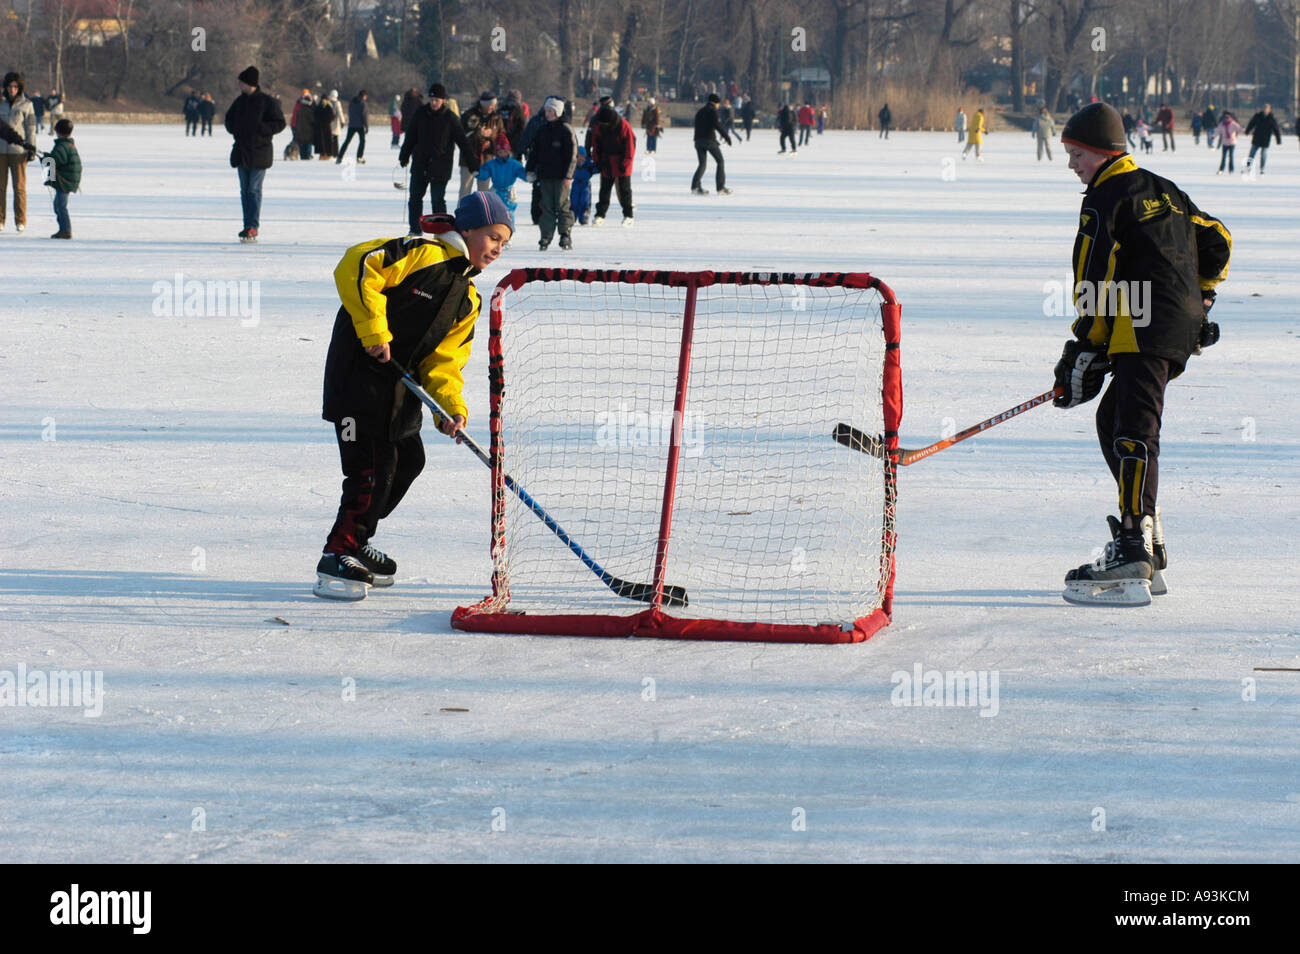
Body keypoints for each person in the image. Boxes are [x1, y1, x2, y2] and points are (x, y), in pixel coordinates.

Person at [1055, 102, 1230, 605]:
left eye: (1076, 154)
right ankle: (1145, 537)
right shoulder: (1164, 189)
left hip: (1141, 325)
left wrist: (1085, 346)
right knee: (1114, 420)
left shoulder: (1105, 195)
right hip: (1175, 327)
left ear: (1102, 152)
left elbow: (1093, 274)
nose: (1072, 164)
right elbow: (1218, 239)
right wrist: (1202, 298)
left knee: (1133, 428)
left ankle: (1134, 546)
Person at [315, 191, 514, 601]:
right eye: (493, 237)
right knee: (372, 469)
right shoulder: (423, 253)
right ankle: (338, 551)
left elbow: (445, 363)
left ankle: (358, 536)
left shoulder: (468, 299)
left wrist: (450, 409)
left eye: (504, 243)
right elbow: (357, 264)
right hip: (358, 382)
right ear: (469, 228)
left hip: (399, 393)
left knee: (409, 460)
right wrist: (374, 332)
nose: (497, 249)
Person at [400, 83, 478, 233]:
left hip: (440, 166)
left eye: (437, 100)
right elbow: (410, 137)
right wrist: (404, 156)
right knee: (415, 198)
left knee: (437, 200)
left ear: (443, 100)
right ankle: (415, 229)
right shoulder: (420, 114)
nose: (434, 103)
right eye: (432, 99)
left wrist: (472, 163)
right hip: (420, 164)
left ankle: (441, 231)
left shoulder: (450, 118)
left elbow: (463, 142)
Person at [223, 66, 286, 243]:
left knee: (253, 190)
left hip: (260, 152)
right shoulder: (239, 102)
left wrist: (262, 130)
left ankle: (253, 226)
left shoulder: (267, 102)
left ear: (249, 83)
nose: (238, 85)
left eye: (241, 82)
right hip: (242, 152)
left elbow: (280, 123)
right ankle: (247, 225)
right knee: (245, 191)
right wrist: (235, 129)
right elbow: (228, 120)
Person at [525, 96, 578, 250]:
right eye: (547, 110)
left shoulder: (566, 130)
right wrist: (530, 168)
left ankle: (565, 234)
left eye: (550, 111)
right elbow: (535, 151)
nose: (547, 113)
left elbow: (572, 155)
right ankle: (545, 236)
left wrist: (569, 175)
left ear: (558, 112)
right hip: (545, 175)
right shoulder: (542, 130)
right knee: (546, 206)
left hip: (562, 177)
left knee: (561, 205)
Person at [1, 71, 37, 233]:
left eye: (15, 86)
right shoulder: (0, 103)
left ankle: (20, 220)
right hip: (1, 151)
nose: (12, 89)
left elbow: (31, 128)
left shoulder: (27, 105)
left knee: (19, 188)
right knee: (0, 188)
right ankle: (0, 219)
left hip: (19, 151)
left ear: (19, 88)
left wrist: (31, 147)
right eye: (9, 86)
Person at [590, 102, 635, 226]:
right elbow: (596, 145)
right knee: (604, 191)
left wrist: (626, 162)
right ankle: (600, 214)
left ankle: (628, 215)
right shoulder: (599, 127)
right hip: (607, 162)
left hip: (622, 163)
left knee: (625, 191)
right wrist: (597, 161)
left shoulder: (624, 126)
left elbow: (630, 147)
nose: (602, 125)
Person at [43, 118, 80, 239]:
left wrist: (45, 159)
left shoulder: (62, 146)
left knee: (60, 206)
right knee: (58, 205)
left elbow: (54, 161)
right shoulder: (68, 144)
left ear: (58, 132)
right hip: (68, 179)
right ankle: (63, 229)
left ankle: (66, 230)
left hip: (65, 181)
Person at [460, 91, 502, 197]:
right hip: (468, 159)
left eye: (494, 104)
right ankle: (463, 212)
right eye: (490, 104)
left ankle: (484, 212)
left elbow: (501, 138)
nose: (492, 107)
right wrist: (478, 134)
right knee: (465, 189)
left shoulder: (497, 118)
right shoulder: (469, 115)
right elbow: (461, 136)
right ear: (484, 104)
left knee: (484, 191)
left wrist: (491, 138)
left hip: (487, 160)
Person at [690, 94, 732, 194]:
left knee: (702, 164)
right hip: (709, 140)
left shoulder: (700, 111)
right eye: (718, 104)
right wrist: (726, 137)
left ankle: (695, 187)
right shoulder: (712, 111)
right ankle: (720, 187)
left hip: (698, 141)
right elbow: (717, 125)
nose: (718, 106)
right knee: (720, 161)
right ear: (715, 103)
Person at [476, 133, 528, 212]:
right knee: (494, 212)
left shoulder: (514, 164)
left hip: (509, 193)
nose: (503, 154)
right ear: (496, 152)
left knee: (509, 213)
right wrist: (477, 173)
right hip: (496, 191)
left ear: (509, 151)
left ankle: (509, 224)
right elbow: (484, 175)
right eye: (500, 152)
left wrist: (529, 176)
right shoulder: (491, 164)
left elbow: (522, 173)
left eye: (505, 152)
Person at [1243, 104, 1282, 175]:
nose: (1265, 110)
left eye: (1266, 109)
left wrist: (1278, 139)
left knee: (1263, 155)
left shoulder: (1271, 118)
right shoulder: (1258, 116)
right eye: (1264, 109)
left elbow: (1276, 129)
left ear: (1269, 110)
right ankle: (1248, 167)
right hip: (1257, 138)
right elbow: (1251, 124)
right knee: (1252, 154)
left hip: (1265, 139)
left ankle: (1262, 168)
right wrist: (1247, 131)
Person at [337, 89, 368, 164]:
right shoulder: (363, 104)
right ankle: (359, 157)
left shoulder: (352, 102)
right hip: (360, 125)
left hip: (351, 125)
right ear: (364, 96)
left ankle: (339, 157)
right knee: (362, 141)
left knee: (347, 141)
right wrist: (366, 126)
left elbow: (350, 112)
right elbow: (364, 115)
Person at [569, 145, 598, 225]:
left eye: (582, 156)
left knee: (584, 200)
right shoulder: (573, 165)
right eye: (578, 156)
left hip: (585, 184)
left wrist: (598, 166)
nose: (580, 158)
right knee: (574, 200)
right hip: (575, 184)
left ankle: (584, 216)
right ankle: (572, 216)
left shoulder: (588, 165)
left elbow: (596, 168)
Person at [290, 89, 316, 160]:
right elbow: (312, 119)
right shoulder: (310, 107)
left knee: (301, 142)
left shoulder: (300, 106)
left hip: (300, 128)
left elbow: (296, 117)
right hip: (308, 129)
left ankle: (302, 155)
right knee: (307, 143)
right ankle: (307, 155)